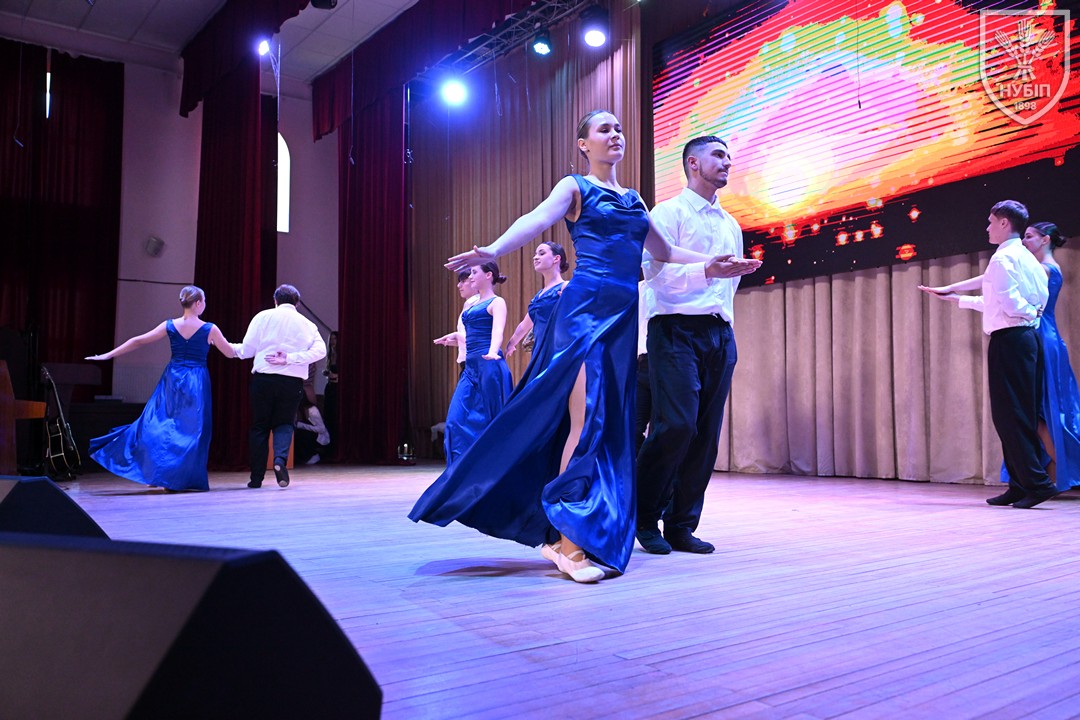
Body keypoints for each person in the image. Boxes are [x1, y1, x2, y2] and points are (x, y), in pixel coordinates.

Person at [410, 110, 760, 583]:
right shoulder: (575, 187)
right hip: (585, 315)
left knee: (609, 425)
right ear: (583, 144)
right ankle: (570, 543)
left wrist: (711, 265)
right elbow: (536, 218)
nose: (615, 135)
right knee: (588, 417)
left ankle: (566, 533)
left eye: (619, 129)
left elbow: (662, 251)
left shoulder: (634, 199)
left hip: (621, 320)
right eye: (604, 129)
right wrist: (493, 250)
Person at [636, 135, 758, 555]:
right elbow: (652, 275)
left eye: (729, 156)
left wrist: (722, 311)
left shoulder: (731, 224)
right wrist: (705, 271)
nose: (727, 163)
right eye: (718, 155)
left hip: (719, 332)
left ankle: (681, 524)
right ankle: (643, 516)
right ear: (693, 163)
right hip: (674, 329)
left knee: (706, 435)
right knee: (677, 425)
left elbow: (729, 284)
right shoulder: (667, 213)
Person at [919, 200, 1056, 508]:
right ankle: (1019, 485)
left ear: (1005, 223)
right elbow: (1002, 301)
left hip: (1011, 341)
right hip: (1024, 339)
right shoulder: (1026, 257)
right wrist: (957, 298)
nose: (987, 227)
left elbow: (1010, 303)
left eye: (991, 221)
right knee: (1016, 413)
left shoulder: (1003, 258)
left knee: (1011, 415)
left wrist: (1028, 312)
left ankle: (1037, 484)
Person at [86, 286, 236, 491]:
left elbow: (138, 340)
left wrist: (109, 355)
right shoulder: (210, 328)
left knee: (160, 423)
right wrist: (257, 348)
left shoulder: (170, 325)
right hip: (195, 381)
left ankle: (160, 473)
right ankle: (172, 477)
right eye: (204, 301)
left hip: (172, 378)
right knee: (192, 430)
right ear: (198, 303)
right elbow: (229, 352)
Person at [231, 284, 326, 489]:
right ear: (297, 303)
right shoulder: (308, 324)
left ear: (275, 300)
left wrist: (227, 347)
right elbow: (321, 351)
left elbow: (247, 350)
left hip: (264, 379)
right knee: (285, 424)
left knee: (260, 427)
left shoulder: (262, 317)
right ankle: (279, 460)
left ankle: (256, 478)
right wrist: (290, 358)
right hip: (291, 382)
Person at [434, 262, 514, 464]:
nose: (470, 277)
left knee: (493, 422)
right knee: (455, 422)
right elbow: (471, 338)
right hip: (470, 369)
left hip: (489, 366)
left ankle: (494, 472)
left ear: (488, 275)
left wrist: (493, 350)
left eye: (474, 272)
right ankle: (460, 474)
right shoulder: (471, 304)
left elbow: (497, 331)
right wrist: (455, 338)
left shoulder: (497, 302)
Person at [506, 241, 570, 361]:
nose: (535, 257)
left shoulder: (565, 287)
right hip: (540, 351)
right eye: (535, 254)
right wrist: (511, 344)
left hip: (558, 350)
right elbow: (524, 325)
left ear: (556, 258)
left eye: (541, 253)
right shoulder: (539, 295)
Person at [295, 390, 330, 465]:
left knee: (303, 434)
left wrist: (301, 425)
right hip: (309, 434)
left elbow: (321, 429)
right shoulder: (297, 410)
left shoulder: (312, 410)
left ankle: (313, 455)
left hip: (320, 438)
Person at [321, 330, 339, 459]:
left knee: (335, 416)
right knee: (328, 416)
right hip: (330, 388)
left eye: (335, 339)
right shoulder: (330, 355)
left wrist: (335, 376)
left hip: (337, 388)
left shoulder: (340, 355)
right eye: (331, 339)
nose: (332, 342)